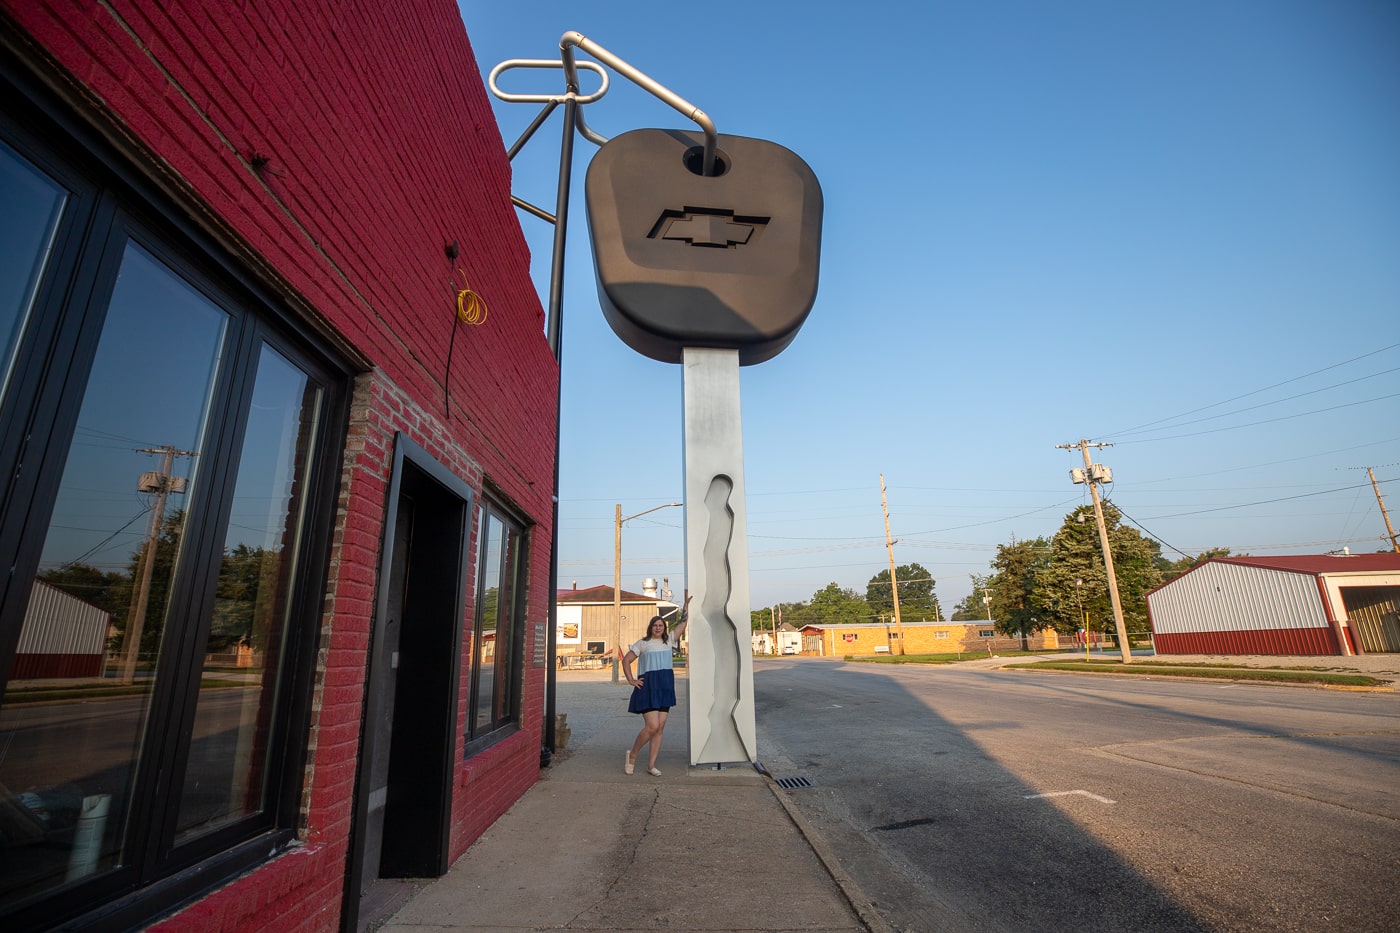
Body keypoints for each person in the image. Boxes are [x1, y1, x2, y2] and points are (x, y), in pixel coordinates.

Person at [622, 596, 690, 776]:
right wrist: (631, 680)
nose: (658, 627)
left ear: (664, 628)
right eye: (655, 625)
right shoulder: (642, 643)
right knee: (652, 726)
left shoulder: (670, 642)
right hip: (649, 687)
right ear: (651, 627)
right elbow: (626, 660)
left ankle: (651, 765)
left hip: (665, 687)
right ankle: (633, 754)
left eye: (661, 625)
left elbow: (683, 624)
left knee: (660, 727)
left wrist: (685, 607)